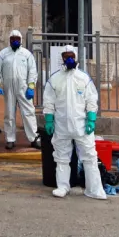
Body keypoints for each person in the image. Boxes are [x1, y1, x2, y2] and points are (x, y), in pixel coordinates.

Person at [42, 47, 107, 200]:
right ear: (61, 58)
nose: (68, 59)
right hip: (61, 125)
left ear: (76, 57)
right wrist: (49, 120)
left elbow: (92, 99)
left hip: (82, 126)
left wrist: (91, 118)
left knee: (90, 156)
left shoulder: (83, 78)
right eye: (66, 56)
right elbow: (49, 101)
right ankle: (63, 186)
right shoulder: (55, 79)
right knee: (61, 157)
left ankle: (94, 189)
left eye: (71, 56)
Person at [0, 29, 40, 150]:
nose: (14, 41)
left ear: (21, 40)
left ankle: (33, 138)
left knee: (28, 112)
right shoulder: (3, 54)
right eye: (12, 39)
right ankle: (10, 139)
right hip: (8, 88)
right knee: (9, 114)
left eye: (17, 39)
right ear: (9, 40)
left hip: (24, 88)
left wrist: (31, 86)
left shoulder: (26, 54)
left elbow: (32, 71)